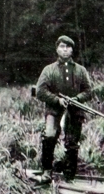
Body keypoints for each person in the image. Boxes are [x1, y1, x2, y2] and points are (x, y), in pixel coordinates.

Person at [35, 35, 95, 181]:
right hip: (54, 110)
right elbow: (40, 91)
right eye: (62, 46)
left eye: (68, 47)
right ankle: (47, 172)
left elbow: (89, 91)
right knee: (49, 136)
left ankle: (69, 177)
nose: (65, 50)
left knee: (72, 143)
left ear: (72, 50)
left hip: (75, 111)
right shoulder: (49, 70)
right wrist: (57, 100)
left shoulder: (81, 70)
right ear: (57, 49)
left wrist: (77, 99)